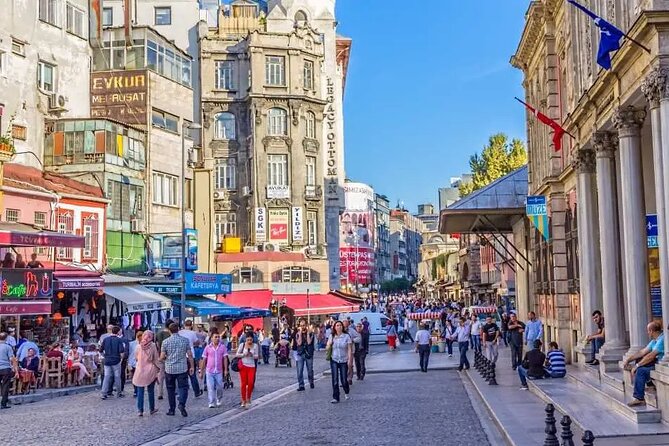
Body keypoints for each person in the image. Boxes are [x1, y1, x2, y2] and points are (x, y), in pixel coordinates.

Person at [624, 321, 665, 407]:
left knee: (641, 370)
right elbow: (642, 352)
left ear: (651, 331)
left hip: (661, 365)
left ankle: (639, 398)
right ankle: (650, 384)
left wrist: (637, 366)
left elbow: (651, 356)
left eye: (648, 331)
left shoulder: (662, 339)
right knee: (638, 359)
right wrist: (628, 360)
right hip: (655, 363)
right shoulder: (654, 340)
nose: (647, 333)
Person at [160, 323, 194, 417]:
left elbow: (162, 357)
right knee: (183, 387)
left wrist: (164, 358)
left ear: (169, 331)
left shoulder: (165, 342)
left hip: (169, 369)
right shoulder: (185, 340)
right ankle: (181, 403)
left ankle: (172, 409)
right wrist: (192, 366)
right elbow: (190, 355)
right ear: (178, 329)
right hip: (182, 368)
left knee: (170, 389)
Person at [133, 330, 161, 417]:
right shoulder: (152, 345)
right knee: (150, 390)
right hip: (150, 370)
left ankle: (140, 410)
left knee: (140, 391)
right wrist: (158, 368)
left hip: (140, 370)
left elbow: (136, 357)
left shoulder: (138, 346)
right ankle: (151, 408)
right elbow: (156, 358)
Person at [200, 332, 228, 409]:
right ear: (211, 338)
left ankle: (219, 398)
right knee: (210, 387)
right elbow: (204, 359)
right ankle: (211, 402)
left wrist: (225, 370)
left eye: (218, 337)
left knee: (220, 387)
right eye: (215, 337)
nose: (217, 338)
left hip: (219, 370)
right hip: (209, 371)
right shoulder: (207, 348)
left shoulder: (222, 347)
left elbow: (225, 359)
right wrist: (201, 371)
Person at [327, 320, 352, 404]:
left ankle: (346, 390)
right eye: (337, 325)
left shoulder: (346, 336)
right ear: (334, 327)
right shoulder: (332, 336)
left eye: (340, 325)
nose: (339, 327)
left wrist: (349, 360)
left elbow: (349, 349)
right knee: (335, 379)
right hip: (334, 359)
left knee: (344, 380)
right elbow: (327, 347)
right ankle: (336, 397)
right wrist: (329, 343)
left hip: (343, 360)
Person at [178, 320, 203, 398]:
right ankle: (197, 391)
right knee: (192, 375)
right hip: (191, 355)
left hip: (181, 355)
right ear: (191, 325)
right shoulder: (192, 333)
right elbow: (197, 342)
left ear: (184, 324)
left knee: (182, 376)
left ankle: (181, 393)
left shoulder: (180, 332)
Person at [100, 326, 125, 399]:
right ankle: (119, 392)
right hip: (116, 360)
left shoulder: (105, 339)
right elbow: (121, 351)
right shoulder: (119, 340)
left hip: (107, 361)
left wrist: (105, 356)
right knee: (117, 377)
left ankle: (104, 393)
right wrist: (121, 359)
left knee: (106, 376)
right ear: (117, 332)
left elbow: (101, 350)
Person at [235, 335, 258, 408]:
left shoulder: (255, 346)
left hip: (251, 366)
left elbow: (257, 356)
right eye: (248, 340)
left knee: (251, 383)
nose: (249, 341)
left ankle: (248, 398)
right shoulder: (242, 345)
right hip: (243, 365)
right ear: (245, 340)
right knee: (243, 383)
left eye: (251, 340)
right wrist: (243, 354)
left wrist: (252, 355)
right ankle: (243, 400)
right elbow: (237, 354)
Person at [294, 319, 315, 391]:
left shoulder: (311, 333)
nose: (302, 327)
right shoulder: (297, 334)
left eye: (304, 325)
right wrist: (300, 334)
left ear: (306, 325)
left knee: (309, 370)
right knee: (299, 371)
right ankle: (301, 385)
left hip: (308, 353)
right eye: (301, 325)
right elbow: (299, 343)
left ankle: (311, 381)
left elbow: (309, 342)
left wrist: (308, 333)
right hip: (300, 353)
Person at [155, 320, 174, 401]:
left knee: (160, 375)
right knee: (172, 374)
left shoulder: (159, 333)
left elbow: (157, 345)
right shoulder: (171, 335)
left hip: (160, 356)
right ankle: (173, 390)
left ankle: (160, 393)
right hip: (171, 357)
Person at [0, 332, 18, 409]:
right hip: (5, 369)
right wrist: (15, 369)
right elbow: (11, 359)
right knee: (5, 386)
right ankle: (3, 403)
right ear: (6, 338)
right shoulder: (8, 347)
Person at [344, 319, 361, 384]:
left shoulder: (352, 331)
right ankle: (344, 379)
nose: (345, 327)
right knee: (344, 365)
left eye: (346, 325)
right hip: (342, 350)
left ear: (348, 325)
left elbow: (359, 338)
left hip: (350, 350)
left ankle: (349, 378)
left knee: (349, 365)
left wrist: (353, 340)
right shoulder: (340, 331)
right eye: (344, 325)